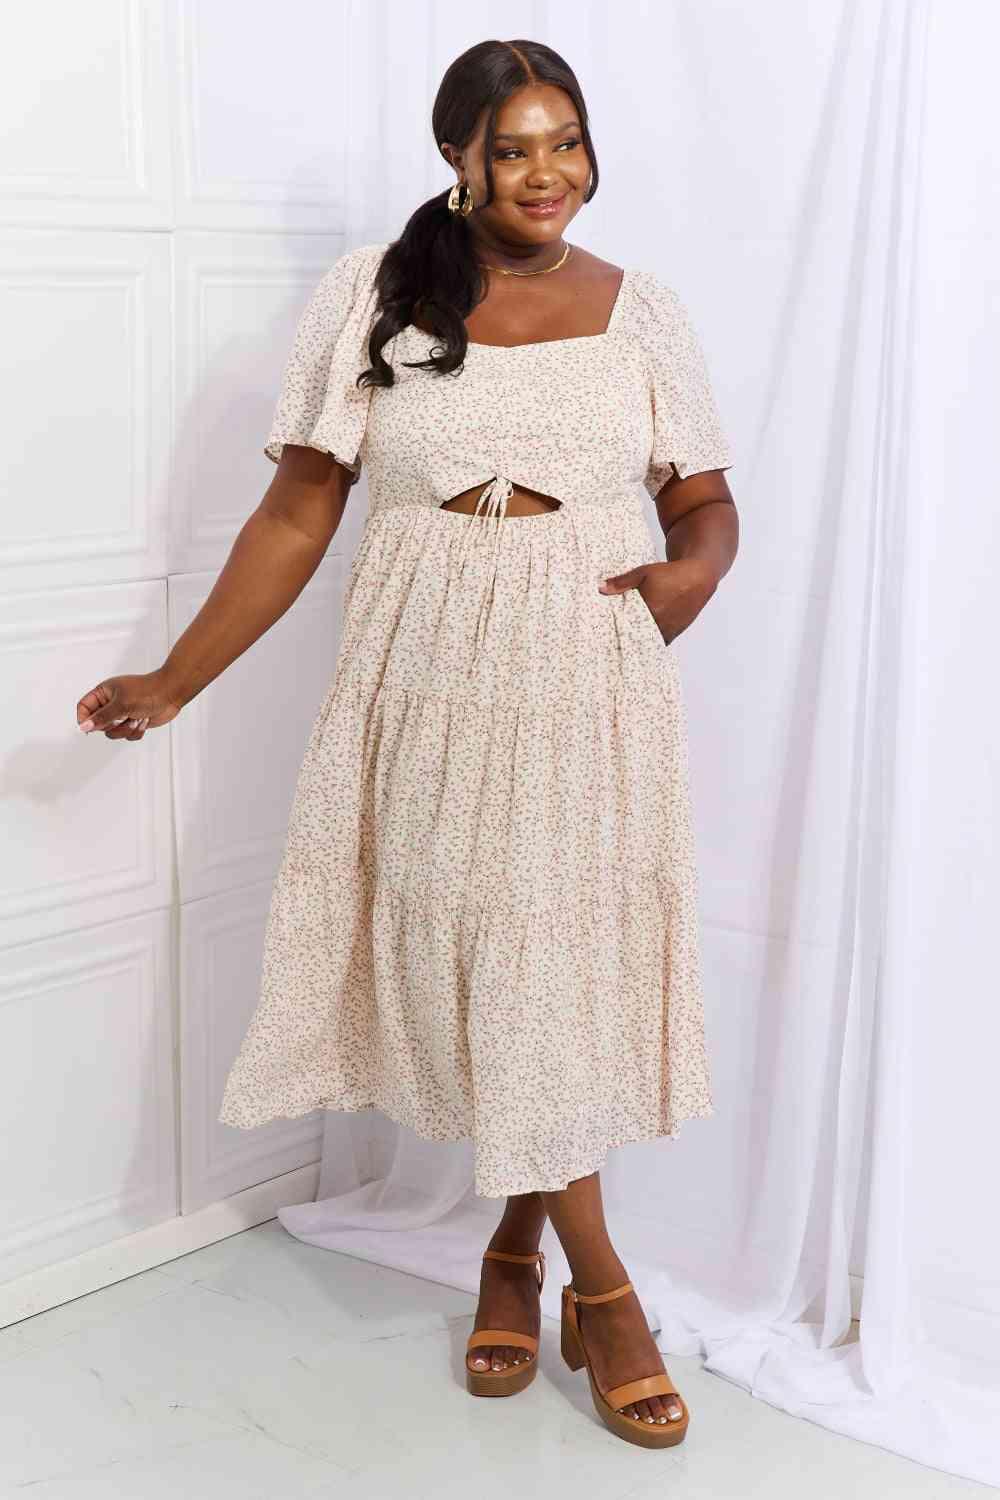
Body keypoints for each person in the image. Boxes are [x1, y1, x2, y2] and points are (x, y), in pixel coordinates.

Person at [75, 38, 738, 1450]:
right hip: (428, 668)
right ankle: (578, 1276)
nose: (547, 173)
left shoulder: (645, 312)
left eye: (567, 142)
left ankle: (544, 1266)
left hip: (586, 673)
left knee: (547, 967)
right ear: (457, 160)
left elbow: (705, 504)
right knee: (491, 956)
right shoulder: (376, 296)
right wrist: (177, 678)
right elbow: (298, 513)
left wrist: (687, 580)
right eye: (514, 149)